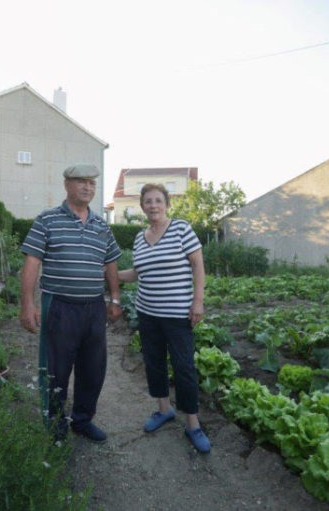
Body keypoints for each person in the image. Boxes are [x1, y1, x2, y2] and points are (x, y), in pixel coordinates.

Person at [20, 164, 123, 442]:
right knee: (56, 368)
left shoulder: (102, 226)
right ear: (67, 185)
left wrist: (114, 298)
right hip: (60, 306)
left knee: (93, 368)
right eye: (81, 182)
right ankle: (55, 426)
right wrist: (27, 304)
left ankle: (82, 420)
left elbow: (110, 262)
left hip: (94, 307)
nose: (88, 187)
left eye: (91, 183)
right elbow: (32, 262)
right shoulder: (47, 220)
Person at [118, 183, 211, 453]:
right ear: (142, 206)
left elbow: (198, 265)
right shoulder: (139, 237)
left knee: (184, 367)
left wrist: (198, 302)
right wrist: (108, 273)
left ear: (167, 204)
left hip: (178, 314)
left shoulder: (181, 229)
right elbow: (137, 273)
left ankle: (192, 424)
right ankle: (164, 410)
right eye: (148, 201)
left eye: (158, 200)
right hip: (147, 313)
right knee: (154, 363)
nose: (153, 205)